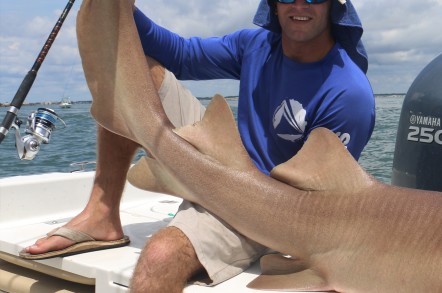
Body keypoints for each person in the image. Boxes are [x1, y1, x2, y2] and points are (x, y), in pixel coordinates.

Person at [20, 0, 375, 291]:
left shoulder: (348, 94)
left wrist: (206, 187)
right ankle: (102, 213)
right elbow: (182, 54)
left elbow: (316, 207)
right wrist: (121, 6)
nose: (300, 5)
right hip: (224, 160)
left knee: (160, 257)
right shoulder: (257, 46)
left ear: (334, 5)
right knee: (133, 70)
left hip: (268, 209)